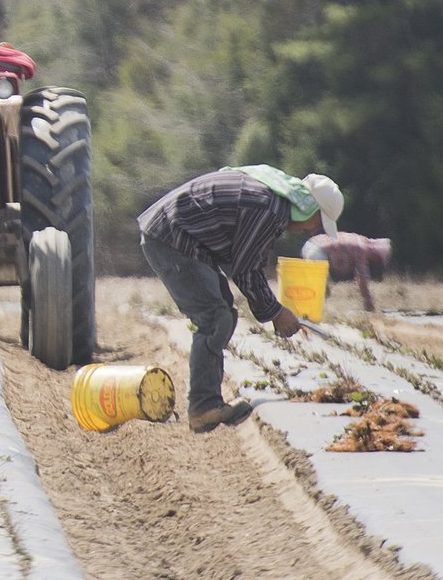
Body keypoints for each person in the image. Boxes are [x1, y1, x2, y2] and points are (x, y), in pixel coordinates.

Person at [138, 165, 344, 433]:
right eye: (318, 221)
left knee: (224, 311)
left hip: (178, 237)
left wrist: (272, 308)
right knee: (215, 317)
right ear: (307, 207)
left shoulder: (271, 196)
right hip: (172, 239)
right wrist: (275, 312)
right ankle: (203, 407)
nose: (312, 230)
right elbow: (246, 269)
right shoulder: (268, 209)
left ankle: (208, 402)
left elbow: (247, 259)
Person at [302, 232, 391, 313]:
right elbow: (362, 278)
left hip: (312, 244)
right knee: (320, 289)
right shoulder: (362, 249)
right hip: (316, 250)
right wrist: (368, 301)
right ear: (375, 252)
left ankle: (314, 311)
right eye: (378, 258)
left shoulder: (360, 240)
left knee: (322, 289)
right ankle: (310, 312)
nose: (375, 260)